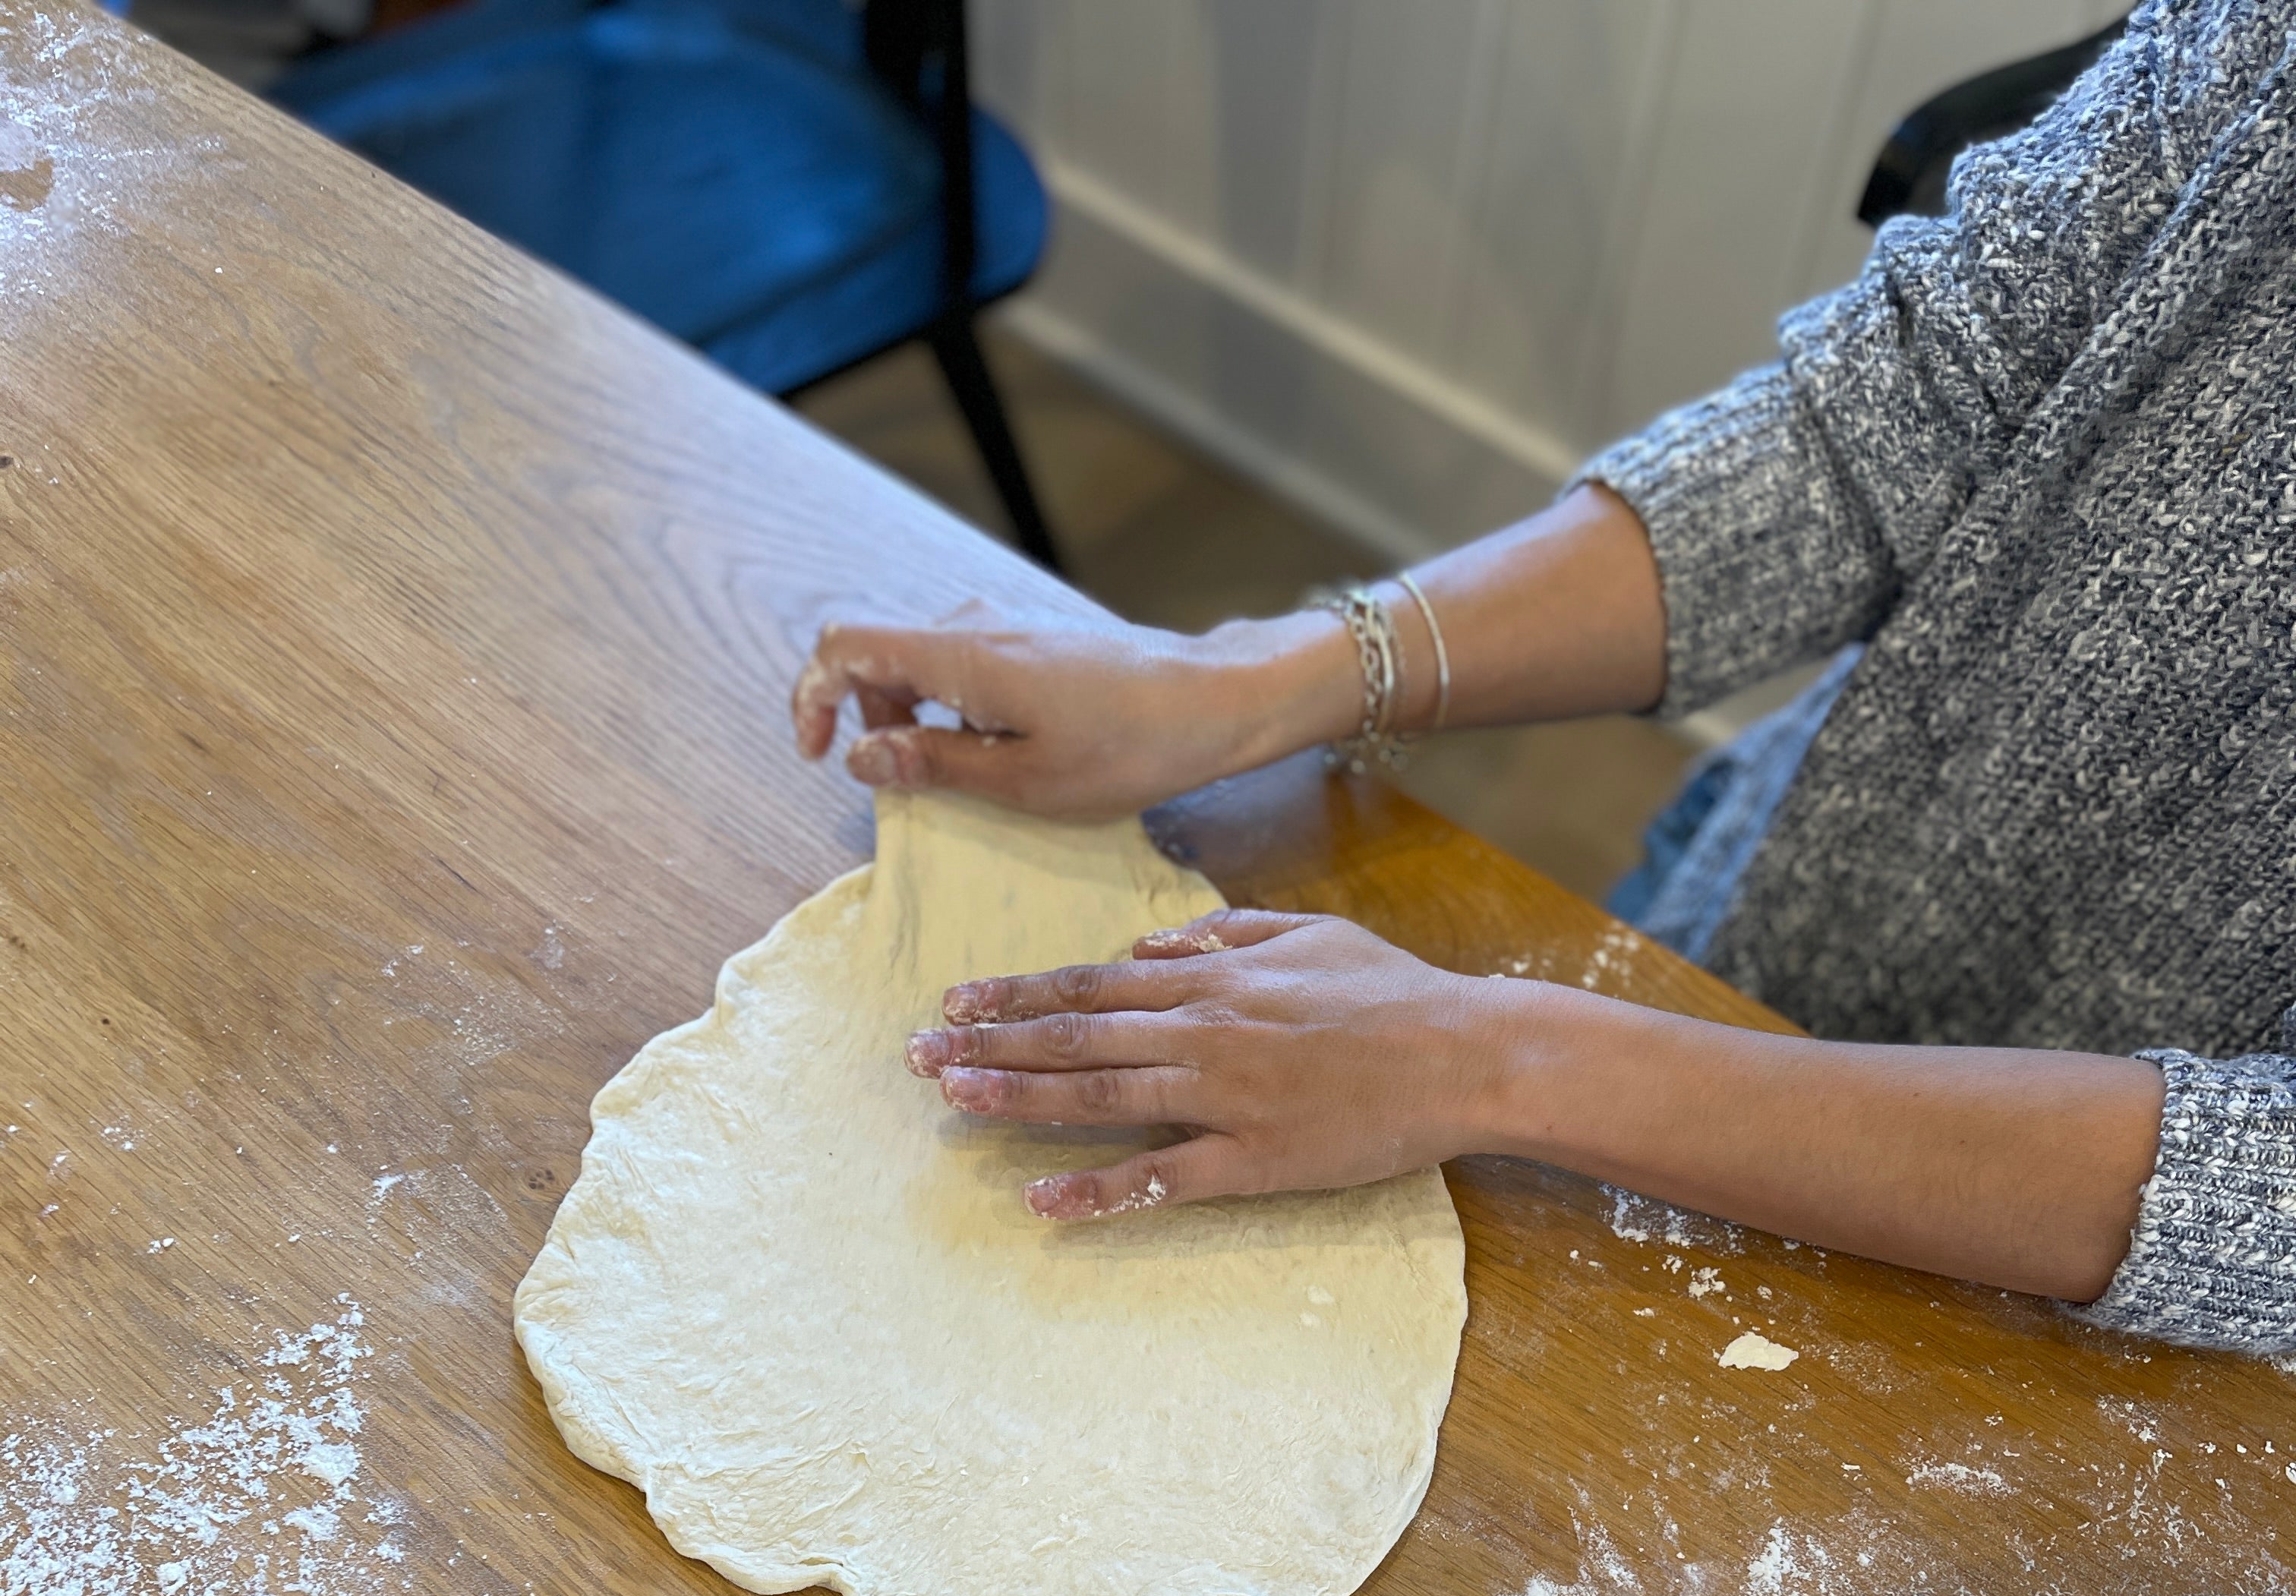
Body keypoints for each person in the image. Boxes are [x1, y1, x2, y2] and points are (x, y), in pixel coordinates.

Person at [793, 0, 2296, 1353]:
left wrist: (1507, 1057)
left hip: (2149, 1402)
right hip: (1766, 924)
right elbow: (1885, 431)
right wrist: (1245, 682)